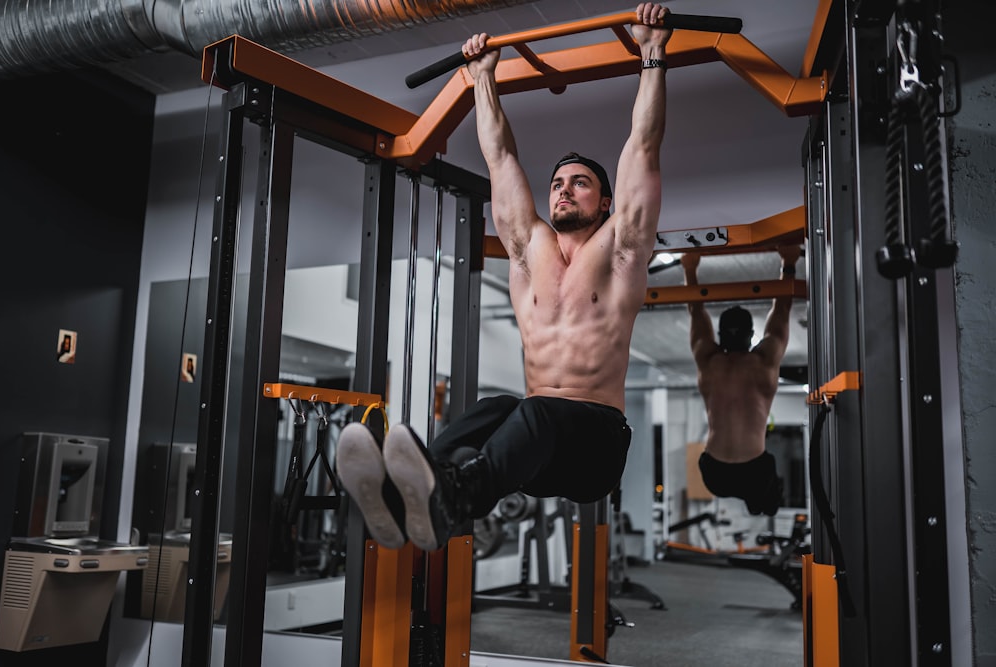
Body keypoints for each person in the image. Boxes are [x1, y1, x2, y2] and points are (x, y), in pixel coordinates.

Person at [336, 3, 673, 552]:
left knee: (532, 410)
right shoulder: (529, 249)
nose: (563, 189)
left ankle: (456, 499)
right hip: (538, 454)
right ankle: (411, 493)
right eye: (559, 182)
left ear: (606, 200)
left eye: (580, 183)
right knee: (498, 407)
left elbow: (644, 146)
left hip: (596, 447)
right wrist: (483, 78)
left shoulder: (620, 249)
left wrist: (652, 52)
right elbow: (500, 159)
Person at [680, 245, 801, 516]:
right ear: (751, 335)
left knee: (767, 498)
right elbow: (781, 311)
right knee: (766, 503)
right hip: (717, 472)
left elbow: (696, 313)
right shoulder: (764, 362)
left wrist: (690, 268)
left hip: (728, 471)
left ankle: (762, 505)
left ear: (720, 335)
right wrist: (788, 262)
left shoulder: (708, 360)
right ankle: (761, 506)